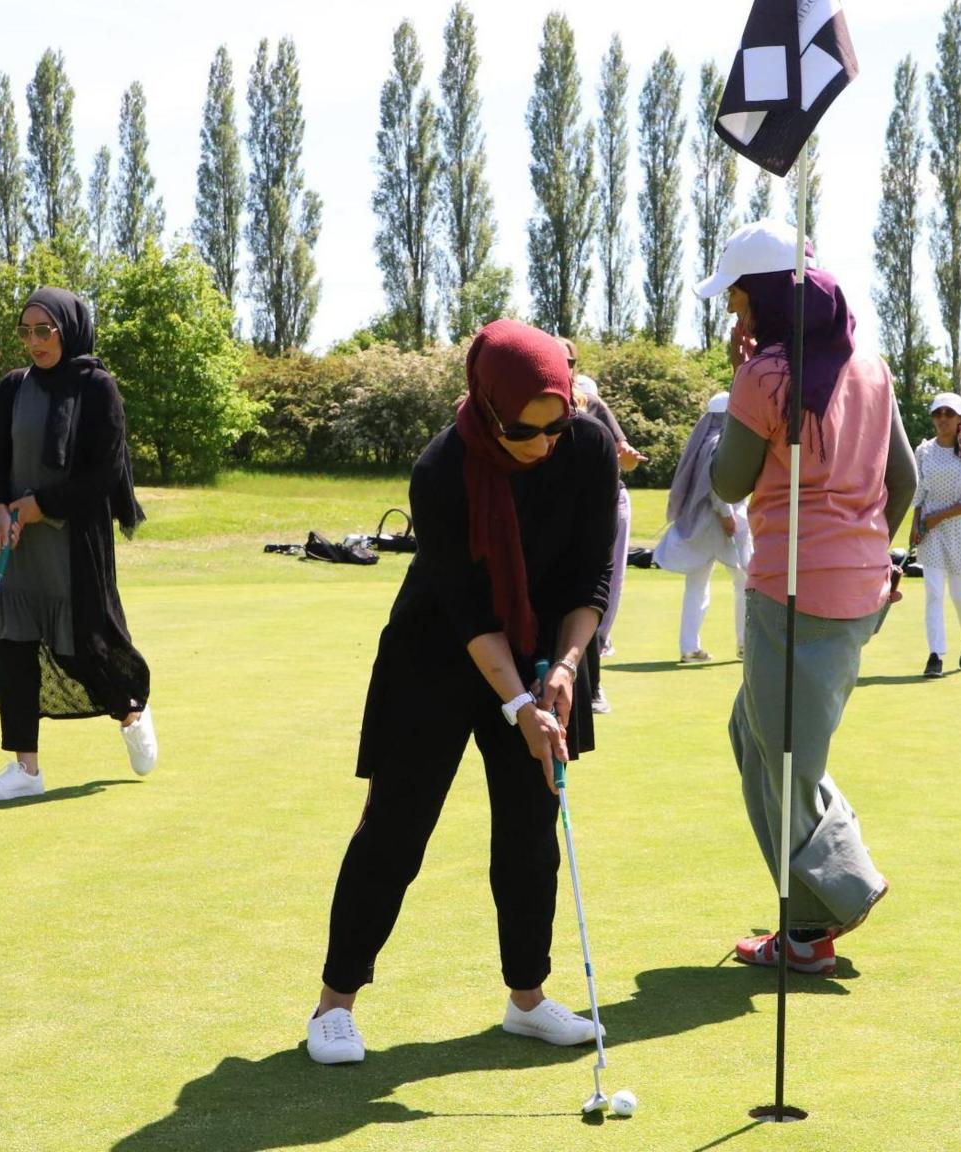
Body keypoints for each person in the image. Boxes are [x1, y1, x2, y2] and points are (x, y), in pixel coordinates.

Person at [305, 319, 618, 1064]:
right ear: (487, 404)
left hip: (548, 653)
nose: (545, 444)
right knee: (395, 830)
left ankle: (527, 999)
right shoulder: (441, 470)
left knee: (528, 831)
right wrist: (516, 707)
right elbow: (470, 611)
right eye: (526, 430)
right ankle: (333, 1005)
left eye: (557, 423)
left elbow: (590, 581)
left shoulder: (589, 448)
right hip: (437, 656)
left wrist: (565, 673)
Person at [700, 220, 916, 976]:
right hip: (859, 586)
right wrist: (865, 550)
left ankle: (822, 914)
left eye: (738, 302)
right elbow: (907, 484)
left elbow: (727, 482)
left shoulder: (764, 376)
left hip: (792, 588)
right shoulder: (871, 364)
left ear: (763, 298)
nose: (735, 317)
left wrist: (741, 386)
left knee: (784, 755)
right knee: (754, 733)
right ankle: (812, 918)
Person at [0, 288, 155, 802]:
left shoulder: (98, 388)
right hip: (15, 544)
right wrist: (0, 510)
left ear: (68, 328)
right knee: (11, 646)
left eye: (44, 330)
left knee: (83, 649)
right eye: (25, 332)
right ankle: (26, 769)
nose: (34, 341)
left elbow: (103, 474)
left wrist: (40, 506)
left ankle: (131, 709)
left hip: (73, 546)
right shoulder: (12, 388)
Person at [560, 338, 645, 713]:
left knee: (600, 588)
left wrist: (625, 456)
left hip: (601, 505)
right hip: (558, 507)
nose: (565, 367)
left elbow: (624, 458)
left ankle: (593, 686)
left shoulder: (592, 404)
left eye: (570, 361)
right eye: (557, 359)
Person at [653, 391, 752, 663]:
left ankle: (689, 647)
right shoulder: (720, 442)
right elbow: (718, 486)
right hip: (719, 525)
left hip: (702, 525)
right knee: (744, 580)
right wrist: (727, 516)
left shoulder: (706, 439)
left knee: (698, 584)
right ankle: (744, 644)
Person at [910, 391, 961, 679]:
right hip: (930, 532)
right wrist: (916, 524)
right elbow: (919, 493)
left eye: (948, 413)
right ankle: (935, 655)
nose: (942, 419)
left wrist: (936, 517)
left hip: (960, 528)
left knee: (960, 595)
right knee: (933, 593)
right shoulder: (924, 451)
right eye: (938, 413)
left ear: (959, 418)